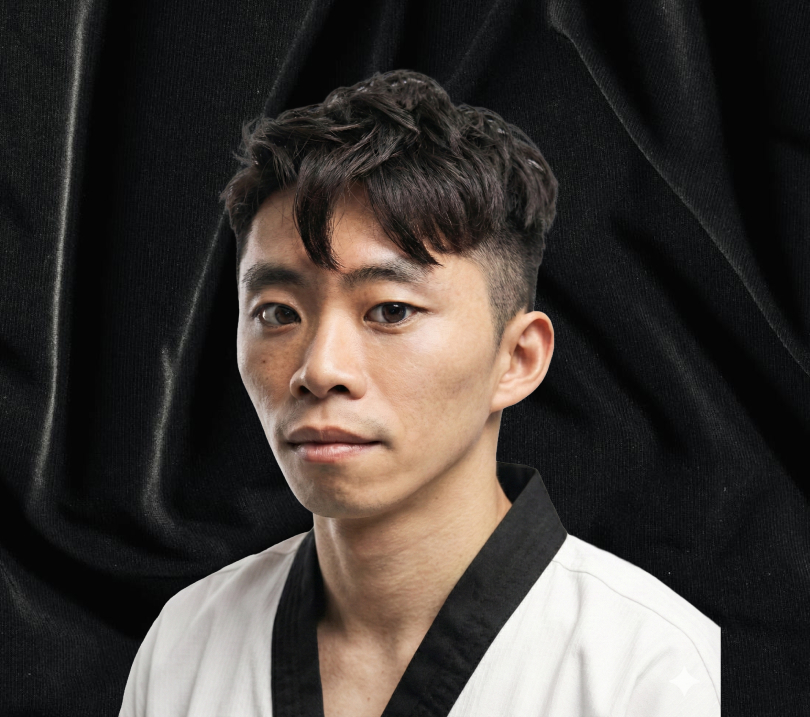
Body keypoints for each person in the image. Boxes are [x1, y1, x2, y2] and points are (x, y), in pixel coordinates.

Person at [118, 69, 720, 717]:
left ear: (516, 358)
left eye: (391, 311)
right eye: (278, 312)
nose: (320, 369)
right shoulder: (187, 641)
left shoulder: (649, 665)